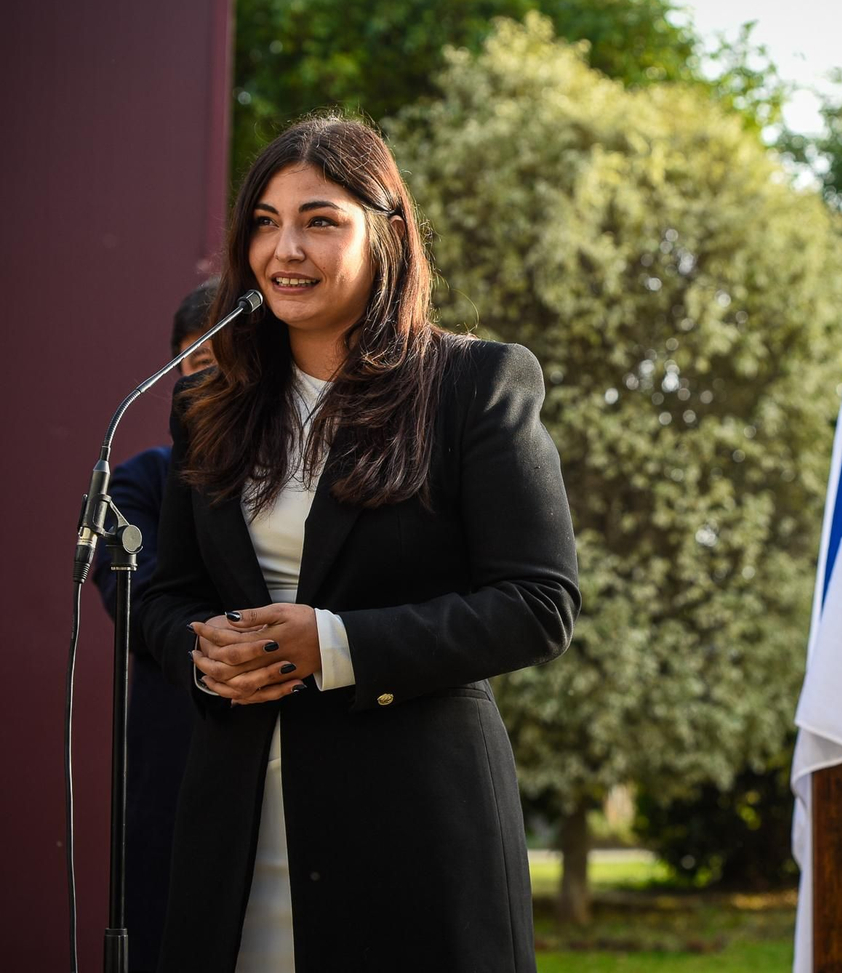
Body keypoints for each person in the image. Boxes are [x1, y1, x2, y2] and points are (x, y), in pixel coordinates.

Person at [139, 115, 580, 972]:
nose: (284, 249)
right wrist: (202, 653)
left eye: (320, 220)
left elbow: (538, 603)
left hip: (414, 827)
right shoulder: (208, 404)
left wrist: (334, 644)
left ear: (387, 232)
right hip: (232, 826)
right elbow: (166, 591)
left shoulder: (475, 385)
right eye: (264, 222)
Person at [91, 277, 218, 973]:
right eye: (195, 367)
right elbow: (129, 595)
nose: (211, 388)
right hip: (173, 753)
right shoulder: (140, 479)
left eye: (231, 367)